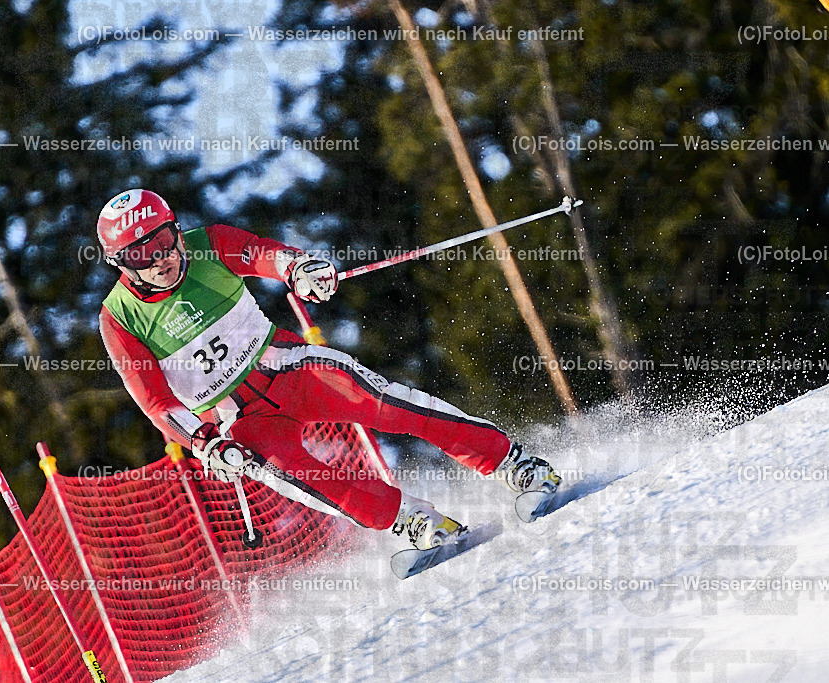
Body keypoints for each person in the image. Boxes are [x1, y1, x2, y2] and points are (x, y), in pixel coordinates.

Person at [96, 189, 560, 551]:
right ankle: (414, 520)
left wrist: (299, 269)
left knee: (388, 405)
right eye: (141, 255)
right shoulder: (118, 318)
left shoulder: (208, 244)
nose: (160, 259)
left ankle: (513, 463)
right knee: (304, 479)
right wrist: (205, 444)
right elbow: (156, 402)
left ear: (176, 231)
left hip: (287, 367)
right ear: (121, 265)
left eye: (162, 241)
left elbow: (263, 255)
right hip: (238, 421)